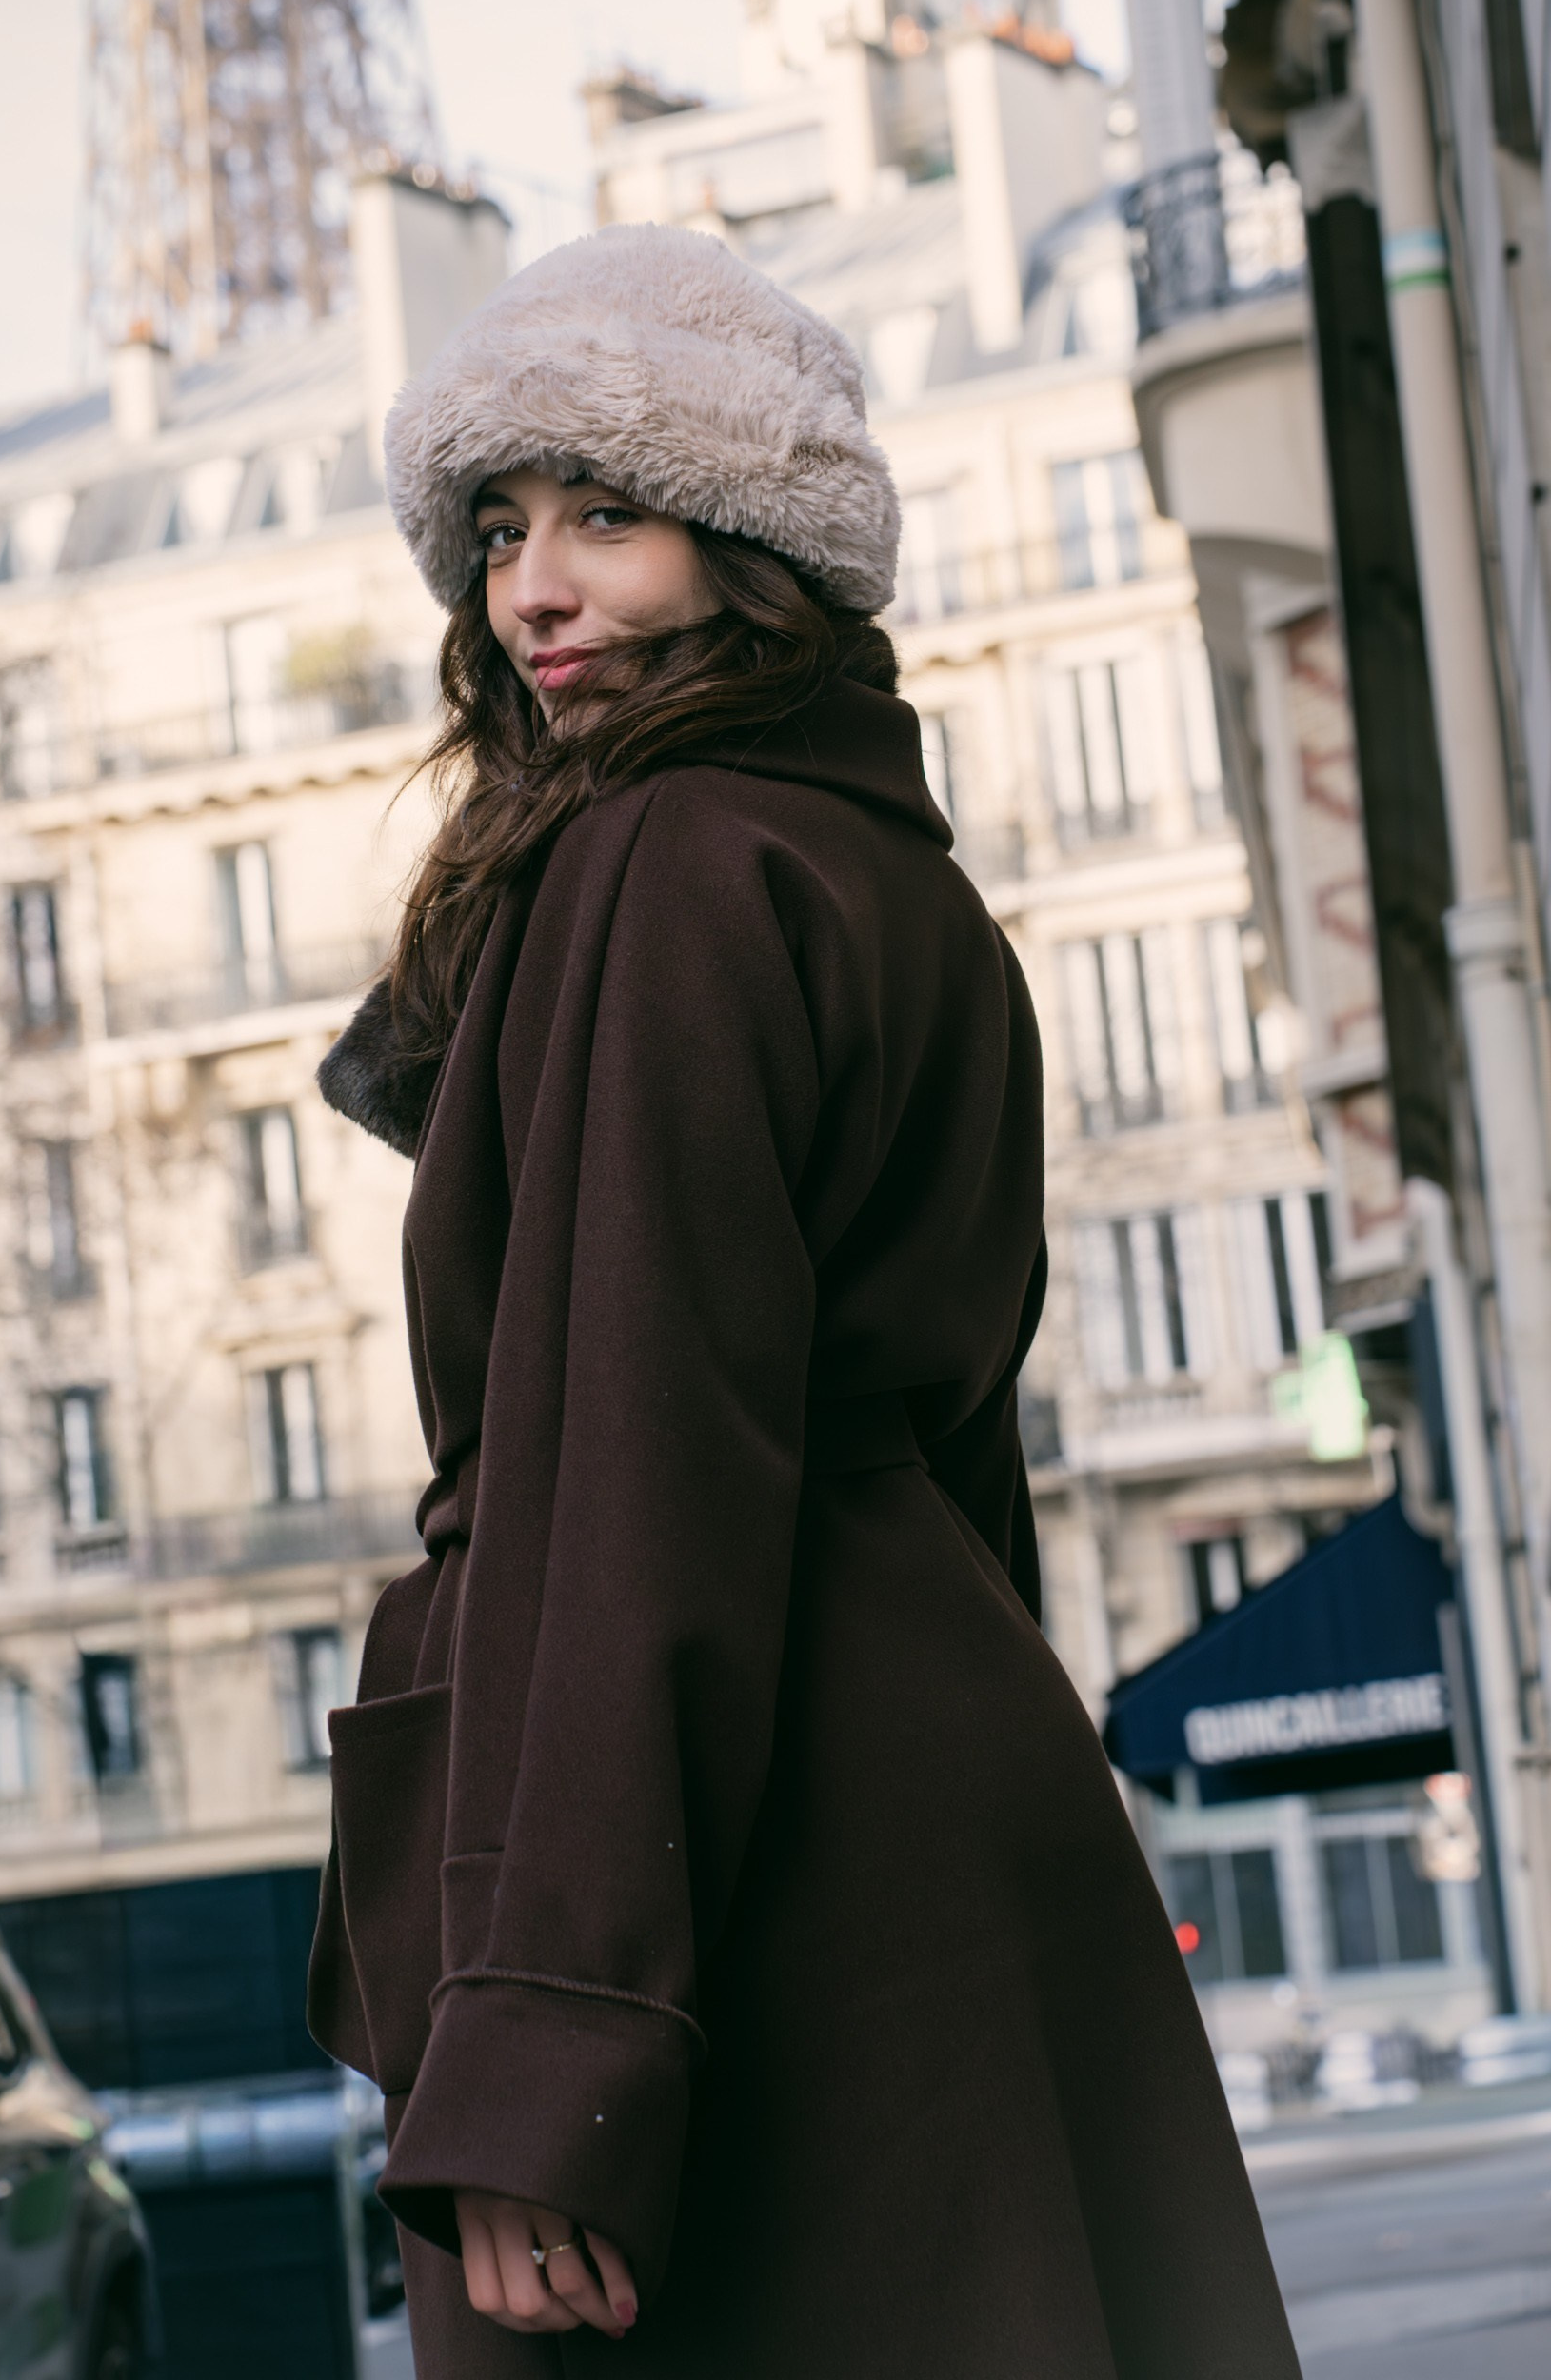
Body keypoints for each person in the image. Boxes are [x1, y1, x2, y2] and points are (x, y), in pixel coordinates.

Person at [308, 225, 1301, 2378]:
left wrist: (552, 2042)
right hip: (892, 1802)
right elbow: (953, 1465)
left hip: (728, 1879)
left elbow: (622, 1471)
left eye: (607, 513)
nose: (531, 592)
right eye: (497, 529)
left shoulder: (667, 867)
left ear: (755, 545)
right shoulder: (884, 879)